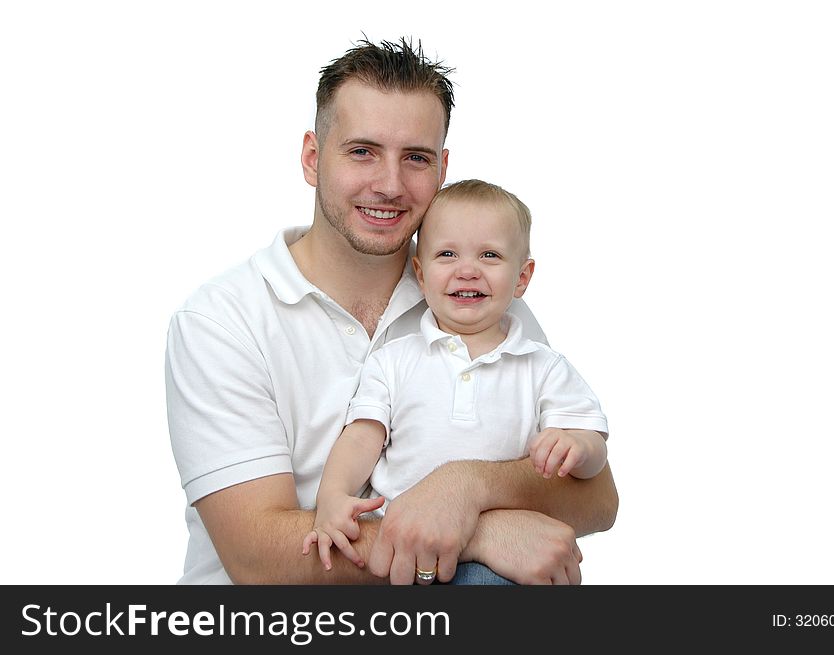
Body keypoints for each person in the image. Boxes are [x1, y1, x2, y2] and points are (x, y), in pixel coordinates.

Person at [165, 37, 618, 585]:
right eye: (362, 151)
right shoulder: (222, 321)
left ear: (443, 167)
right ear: (312, 158)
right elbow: (258, 557)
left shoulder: (474, 298)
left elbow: (597, 498)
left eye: (416, 158)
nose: (389, 184)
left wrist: (467, 486)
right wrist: (472, 534)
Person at [302, 180, 609, 584]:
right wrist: (332, 497)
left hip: (505, 559)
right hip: (405, 551)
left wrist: (577, 447)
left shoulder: (543, 365)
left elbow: (594, 452)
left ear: (522, 277)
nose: (468, 270)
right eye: (447, 254)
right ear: (421, 275)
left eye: (490, 255)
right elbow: (362, 438)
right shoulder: (394, 360)